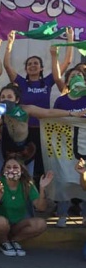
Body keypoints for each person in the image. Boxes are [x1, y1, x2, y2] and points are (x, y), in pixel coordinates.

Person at [3, 28, 74, 186]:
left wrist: (70, 40)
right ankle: (22, 189)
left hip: (43, 129)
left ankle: (40, 193)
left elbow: (67, 63)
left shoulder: (47, 81)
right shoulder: (21, 83)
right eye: (29, 64)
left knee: (42, 164)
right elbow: (7, 66)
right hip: (25, 129)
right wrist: (10, 44)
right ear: (26, 68)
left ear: (41, 68)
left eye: (36, 63)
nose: (33, 66)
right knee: (24, 162)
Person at [0, 83, 86, 177]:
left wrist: (71, 114)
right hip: (4, 149)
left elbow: (48, 113)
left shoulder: (25, 110)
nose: (6, 99)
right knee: (2, 178)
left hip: (25, 149)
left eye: (9, 97)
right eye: (3, 97)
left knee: (27, 179)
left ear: (17, 99)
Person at [0, 156, 53, 257]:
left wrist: (42, 188)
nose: (11, 170)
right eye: (8, 167)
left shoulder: (27, 185)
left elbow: (41, 208)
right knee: (1, 223)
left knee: (41, 224)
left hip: (18, 224)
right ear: (3, 170)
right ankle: (4, 243)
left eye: (15, 167)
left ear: (22, 170)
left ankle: (14, 241)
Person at [52, 72, 86, 227]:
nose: (76, 77)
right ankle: (62, 214)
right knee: (65, 179)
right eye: (73, 76)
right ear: (67, 82)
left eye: (79, 75)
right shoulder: (61, 100)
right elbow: (52, 119)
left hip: (84, 146)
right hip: (65, 147)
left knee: (84, 180)